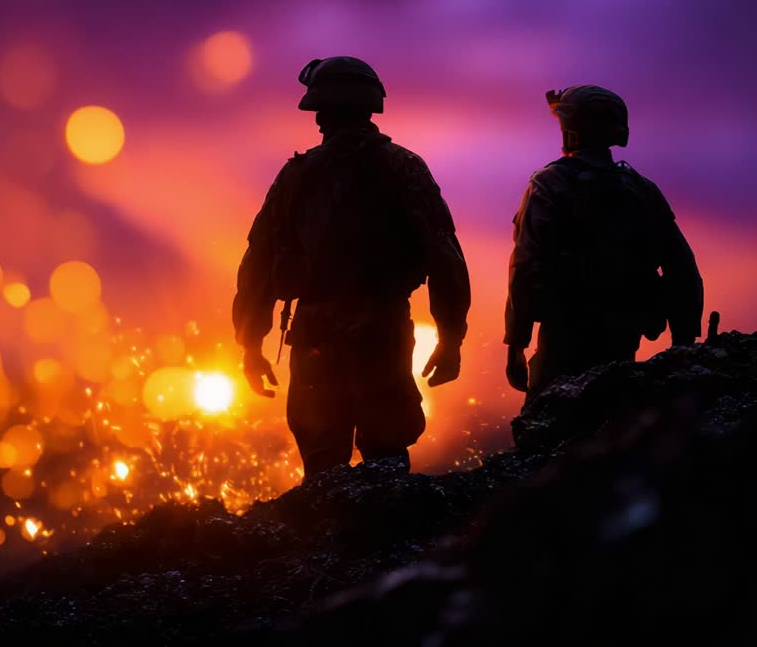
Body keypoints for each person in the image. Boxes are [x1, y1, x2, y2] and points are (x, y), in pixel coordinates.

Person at [232, 56, 471, 474]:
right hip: (382, 326)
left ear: (324, 110)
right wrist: (450, 337)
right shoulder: (404, 167)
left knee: (323, 463)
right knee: (387, 456)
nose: (318, 120)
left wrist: (251, 343)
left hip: (316, 330)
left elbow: (259, 266)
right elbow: (443, 255)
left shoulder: (297, 176)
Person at [505, 85, 703, 400]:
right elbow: (682, 269)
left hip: (564, 336)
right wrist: (684, 343)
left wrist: (516, 343)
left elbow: (526, 265)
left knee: (548, 429)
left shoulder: (548, 183)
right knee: (613, 421)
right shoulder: (642, 189)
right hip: (624, 337)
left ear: (569, 127)